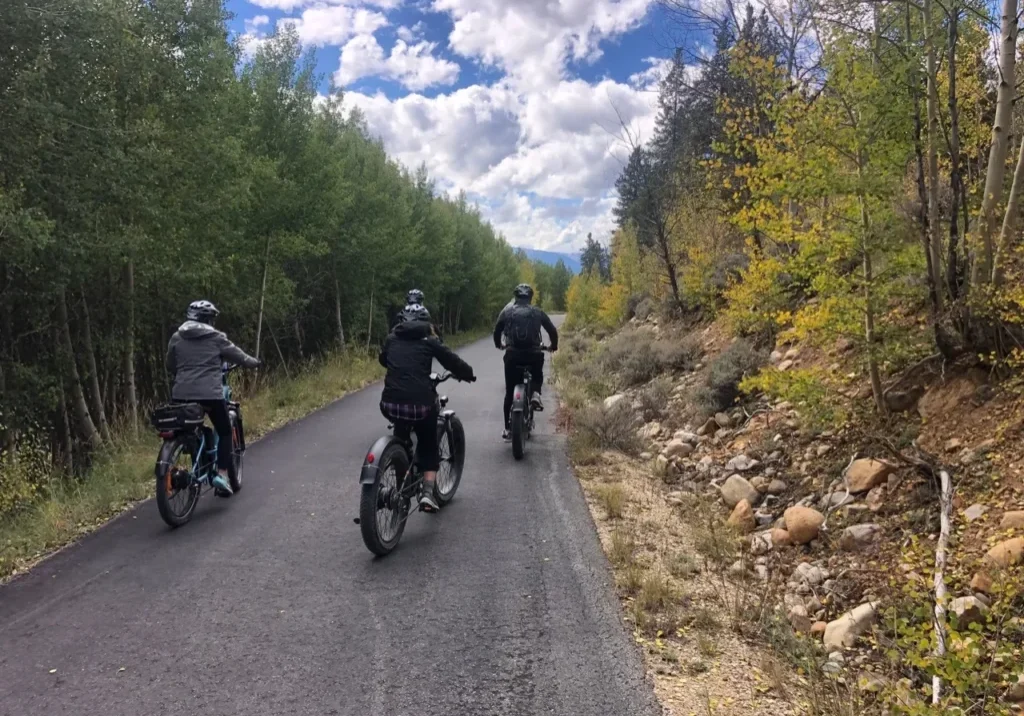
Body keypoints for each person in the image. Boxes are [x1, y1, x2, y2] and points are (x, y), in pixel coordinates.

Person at [379, 303, 475, 512]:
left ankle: (398, 466)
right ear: (426, 323)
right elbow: (452, 361)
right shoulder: (430, 342)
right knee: (428, 440)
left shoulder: (391, 339)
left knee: (401, 428)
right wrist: (468, 373)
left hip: (389, 404)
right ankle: (428, 493)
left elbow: (383, 360)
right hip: (420, 405)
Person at [165, 300, 260, 497]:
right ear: (209, 320)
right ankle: (223, 474)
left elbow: (170, 365)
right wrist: (254, 363)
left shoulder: (176, 337)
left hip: (180, 394)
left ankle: (195, 466)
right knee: (225, 430)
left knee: (191, 428)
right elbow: (240, 356)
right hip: (210, 394)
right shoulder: (217, 338)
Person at [493, 284, 558, 441]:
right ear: (530, 297)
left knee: (509, 392)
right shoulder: (537, 312)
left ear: (516, 297)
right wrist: (553, 346)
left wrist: (499, 344)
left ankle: (508, 429)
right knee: (537, 372)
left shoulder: (507, 312)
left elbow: (497, 330)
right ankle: (535, 393)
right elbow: (552, 330)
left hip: (512, 355)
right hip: (533, 354)